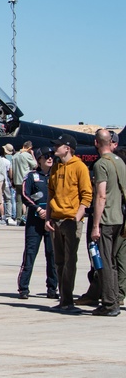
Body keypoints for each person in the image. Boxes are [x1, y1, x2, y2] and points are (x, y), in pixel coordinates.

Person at [44, 134, 92, 313]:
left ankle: (68, 300)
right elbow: (51, 194)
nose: (55, 148)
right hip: (55, 219)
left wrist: (77, 217)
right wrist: (48, 218)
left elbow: (87, 195)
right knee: (59, 261)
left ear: (68, 148)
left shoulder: (80, 167)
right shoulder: (55, 167)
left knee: (70, 260)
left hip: (71, 220)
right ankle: (63, 299)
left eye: (58, 145)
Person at [88, 129, 125, 316]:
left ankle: (110, 303)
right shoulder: (119, 162)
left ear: (96, 143)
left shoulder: (101, 164)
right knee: (113, 262)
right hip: (119, 218)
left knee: (104, 262)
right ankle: (114, 298)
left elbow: (101, 196)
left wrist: (95, 225)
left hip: (107, 219)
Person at [16, 147, 58, 300]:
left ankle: (52, 288)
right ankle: (23, 288)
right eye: (46, 156)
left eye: (51, 156)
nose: (49, 158)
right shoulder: (32, 176)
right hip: (35, 220)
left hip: (52, 219)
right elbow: (25, 194)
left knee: (52, 255)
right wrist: (38, 208)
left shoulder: (56, 175)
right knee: (30, 253)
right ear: (39, 159)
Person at [11, 141, 37, 223]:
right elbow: (35, 165)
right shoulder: (27, 155)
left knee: (19, 201)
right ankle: (26, 216)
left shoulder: (15, 155)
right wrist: (32, 154)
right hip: (25, 180)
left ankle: (18, 218)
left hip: (17, 180)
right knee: (28, 199)